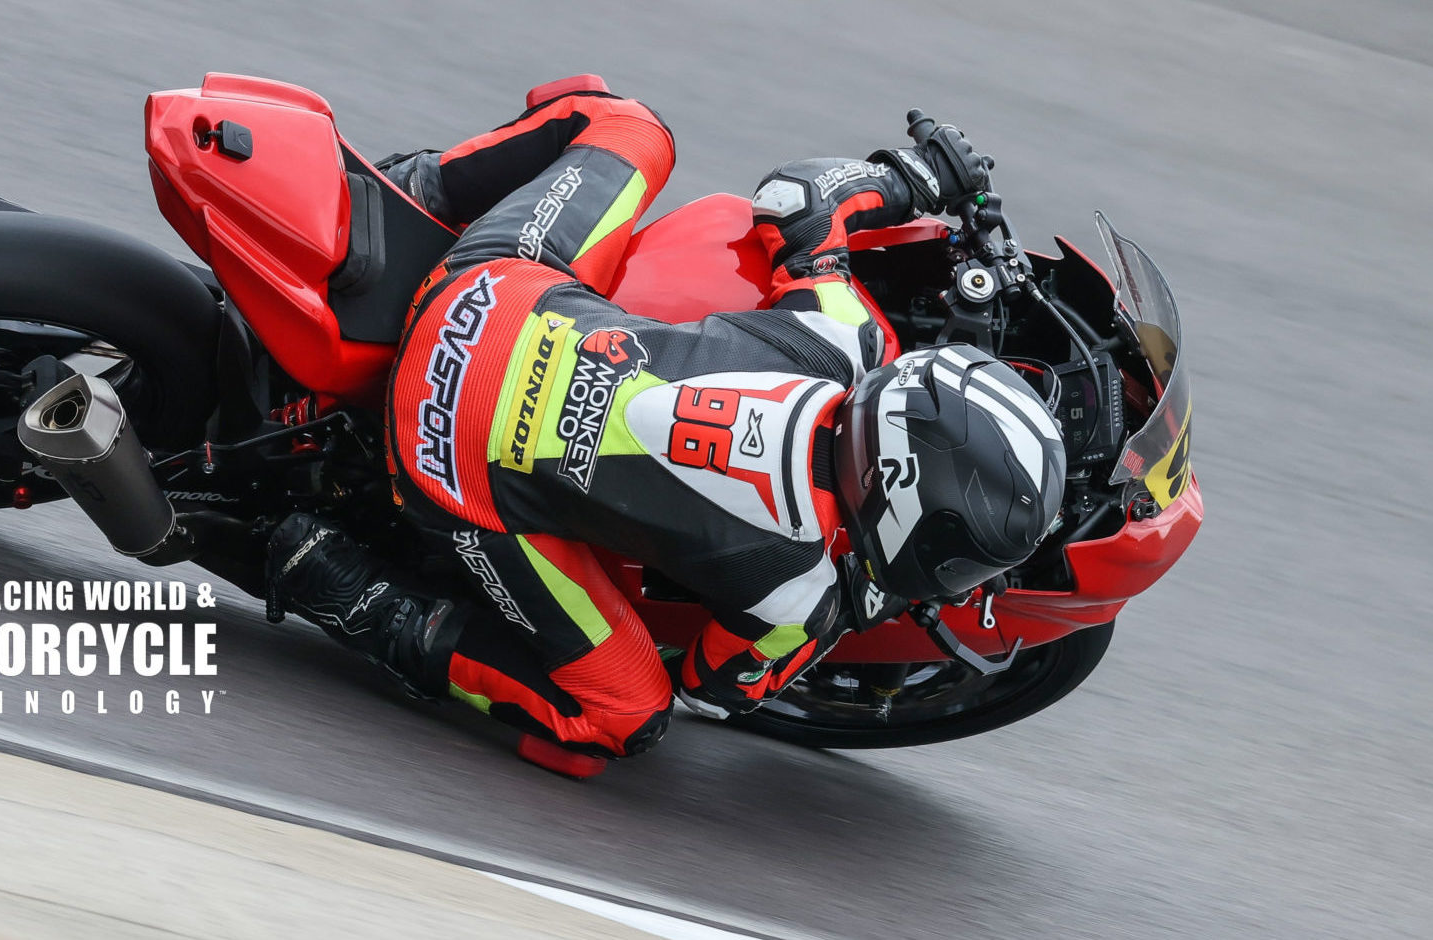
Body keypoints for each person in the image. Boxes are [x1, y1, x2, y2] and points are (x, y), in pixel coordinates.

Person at [265, 78, 1067, 771]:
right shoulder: (804, 599)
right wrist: (862, 610)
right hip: (446, 465)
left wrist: (912, 177)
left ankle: (418, 190)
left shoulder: (840, 336)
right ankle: (359, 595)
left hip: (481, 295)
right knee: (624, 718)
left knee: (628, 125)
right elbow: (716, 690)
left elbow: (798, 201)